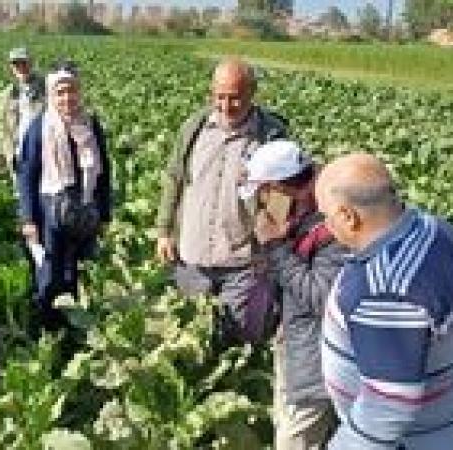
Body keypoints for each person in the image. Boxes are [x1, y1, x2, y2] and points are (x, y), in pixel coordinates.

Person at [317, 153, 453, 449]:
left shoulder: (387, 289)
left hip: (414, 438)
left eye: (326, 216)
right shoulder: (432, 228)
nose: (326, 227)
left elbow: (389, 404)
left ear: (348, 216)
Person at [155, 57, 288, 343]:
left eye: (236, 98)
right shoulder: (194, 129)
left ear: (252, 94)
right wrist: (164, 231)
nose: (227, 106)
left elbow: (283, 198)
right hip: (193, 255)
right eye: (220, 97)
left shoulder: (270, 136)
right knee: (192, 338)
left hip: (241, 260)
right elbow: (174, 178)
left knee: (236, 338)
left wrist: (271, 248)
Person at [240, 140, 346, 449]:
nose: (260, 204)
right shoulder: (297, 218)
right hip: (296, 346)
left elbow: (322, 297)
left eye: (263, 194)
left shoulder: (334, 225)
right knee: (287, 428)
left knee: (294, 440)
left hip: (318, 363)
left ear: (280, 189)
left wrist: (276, 247)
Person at [17, 62, 111, 331]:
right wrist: (28, 219)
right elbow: (26, 175)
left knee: (80, 272)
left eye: (71, 90)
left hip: (85, 209)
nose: (67, 97)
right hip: (50, 212)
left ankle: (77, 331)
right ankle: (48, 331)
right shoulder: (39, 128)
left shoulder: (90, 125)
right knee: (50, 274)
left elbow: (104, 171)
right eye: (60, 92)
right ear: (50, 94)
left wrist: (104, 213)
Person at [0, 47, 46, 176]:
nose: (21, 67)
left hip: (44, 154)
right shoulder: (5, 96)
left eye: (24, 63)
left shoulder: (47, 88)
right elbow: (2, 128)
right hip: (18, 156)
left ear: (31, 63)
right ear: (11, 68)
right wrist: (1, 154)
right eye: (16, 64)